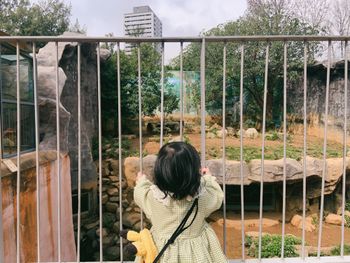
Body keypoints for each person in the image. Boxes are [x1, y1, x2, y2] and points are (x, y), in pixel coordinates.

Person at [134, 141, 227, 263]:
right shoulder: (203, 197)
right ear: (194, 171)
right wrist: (208, 179)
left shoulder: (152, 197)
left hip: (161, 251)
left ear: (160, 170)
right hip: (196, 252)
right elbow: (217, 196)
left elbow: (140, 193)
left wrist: (141, 181)